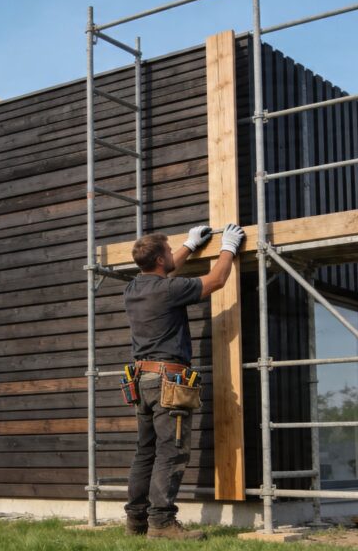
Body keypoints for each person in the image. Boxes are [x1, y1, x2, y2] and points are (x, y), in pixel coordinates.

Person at [123, 223, 245, 540]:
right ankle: (162, 524)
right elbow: (217, 280)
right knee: (171, 452)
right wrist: (228, 247)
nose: (172, 255)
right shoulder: (169, 290)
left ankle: (136, 520)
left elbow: (167, 268)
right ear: (161, 260)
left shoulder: (134, 288)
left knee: (145, 452)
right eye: (169, 250)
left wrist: (190, 245)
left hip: (143, 380)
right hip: (168, 382)